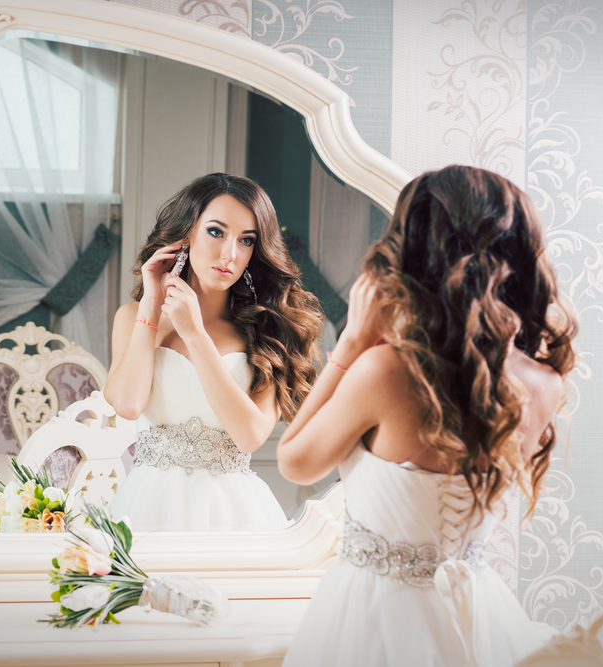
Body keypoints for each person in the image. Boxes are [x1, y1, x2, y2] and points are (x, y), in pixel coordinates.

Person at [278, 165, 578, 666]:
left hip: (369, 619)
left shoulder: (386, 371)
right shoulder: (545, 385)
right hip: (479, 618)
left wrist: (351, 341)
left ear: (412, 251)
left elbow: (295, 462)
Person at [104, 173, 324, 532]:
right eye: (216, 232)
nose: (229, 254)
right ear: (187, 233)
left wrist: (194, 334)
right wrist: (152, 304)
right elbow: (127, 404)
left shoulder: (271, 331)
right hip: (148, 506)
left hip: (233, 513)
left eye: (246, 240)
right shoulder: (134, 317)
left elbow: (250, 436)